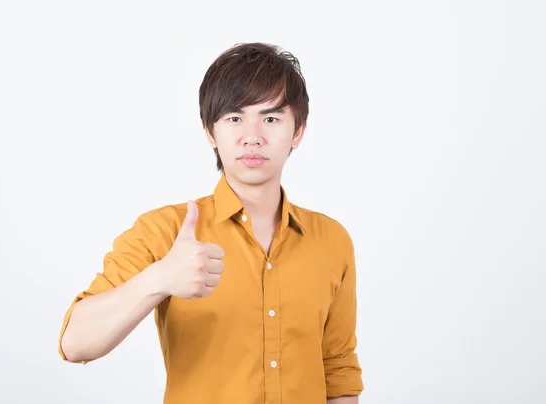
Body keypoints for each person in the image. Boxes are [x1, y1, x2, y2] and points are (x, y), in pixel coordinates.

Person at [58, 42, 364, 403]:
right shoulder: (164, 231)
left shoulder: (332, 239)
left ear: (297, 132)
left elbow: (337, 368)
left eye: (271, 118)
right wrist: (159, 279)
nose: (252, 135)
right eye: (234, 118)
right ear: (209, 131)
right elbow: (76, 343)